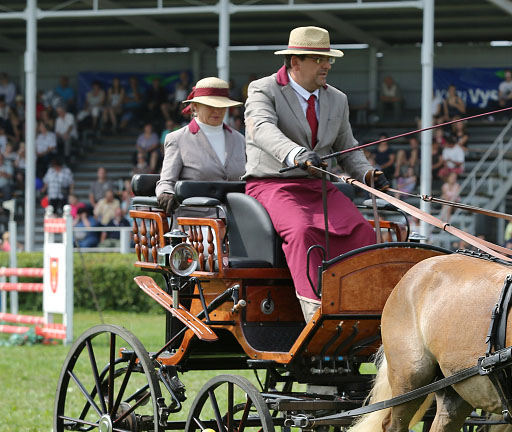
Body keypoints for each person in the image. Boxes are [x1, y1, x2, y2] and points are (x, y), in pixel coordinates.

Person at [244, 25, 386, 322]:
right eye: (320, 59)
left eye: (329, 59)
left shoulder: (337, 98)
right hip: (272, 185)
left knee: (363, 233)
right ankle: (316, 314)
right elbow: (262, 130)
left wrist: (368, 174)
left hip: (317, 186)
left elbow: (347, 148)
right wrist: (294, 153)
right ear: (296, 62)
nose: (328, 65)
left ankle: (366, 308)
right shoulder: (263, 89)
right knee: (301, 231)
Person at [155, 77, 245, 214]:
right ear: (195, 106)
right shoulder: (177, 139)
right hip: (194, 224)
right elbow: (166, 182)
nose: (217, 111)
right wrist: (166, 193)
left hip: (238, 220)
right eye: (211, 106)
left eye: (222, 106)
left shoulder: (240, 140)